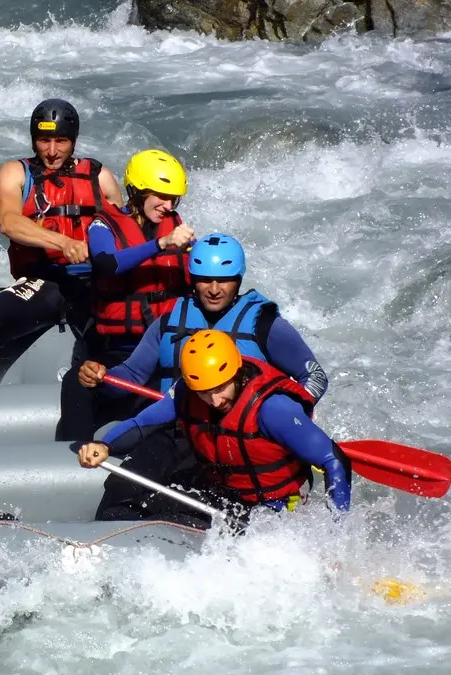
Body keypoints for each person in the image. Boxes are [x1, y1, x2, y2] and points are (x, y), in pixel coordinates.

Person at [75, 232, 330, 519]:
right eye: (205, 279)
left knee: (193, 506)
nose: (213, 289)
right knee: (122, 489)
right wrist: (102, 376)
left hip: (240, 437)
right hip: (175, 429)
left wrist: (288, 420)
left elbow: (315, 375)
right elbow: (132, 375)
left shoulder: (266, 325)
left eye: (223, 280)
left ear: (238, 279)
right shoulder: (170, 320)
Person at [76, 330, 350, 530]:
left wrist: (336, 533)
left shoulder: (273, 409)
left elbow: (333, 459)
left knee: (176, 521)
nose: (215, 401)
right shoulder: (189, 393)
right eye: (205, 393)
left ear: (237, 373)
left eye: (221, 388)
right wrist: (105, 445)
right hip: (224, 495)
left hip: (273, 510)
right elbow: (143, 423)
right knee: (143, 506)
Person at [0, 99, 124, 381]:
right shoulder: (15, 172)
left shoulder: (100, 177)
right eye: (44, 140)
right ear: (34, 140)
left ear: (74, 141)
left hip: (94, 284)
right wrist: (63, 243)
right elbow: (8, 222)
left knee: (107, 347)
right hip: (45, 282)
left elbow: (122, 232)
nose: (53, 151)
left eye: (61, 141)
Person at [57, 149, 195, 441]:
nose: (168, 206)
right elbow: (108, 263)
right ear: (137, 192)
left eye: (173, 199)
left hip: (169, 346)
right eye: (160, 196)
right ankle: (71, 461)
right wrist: (161, 244)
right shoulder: (102, 225)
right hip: (121, 350)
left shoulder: (175, 225)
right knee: (76, 382)